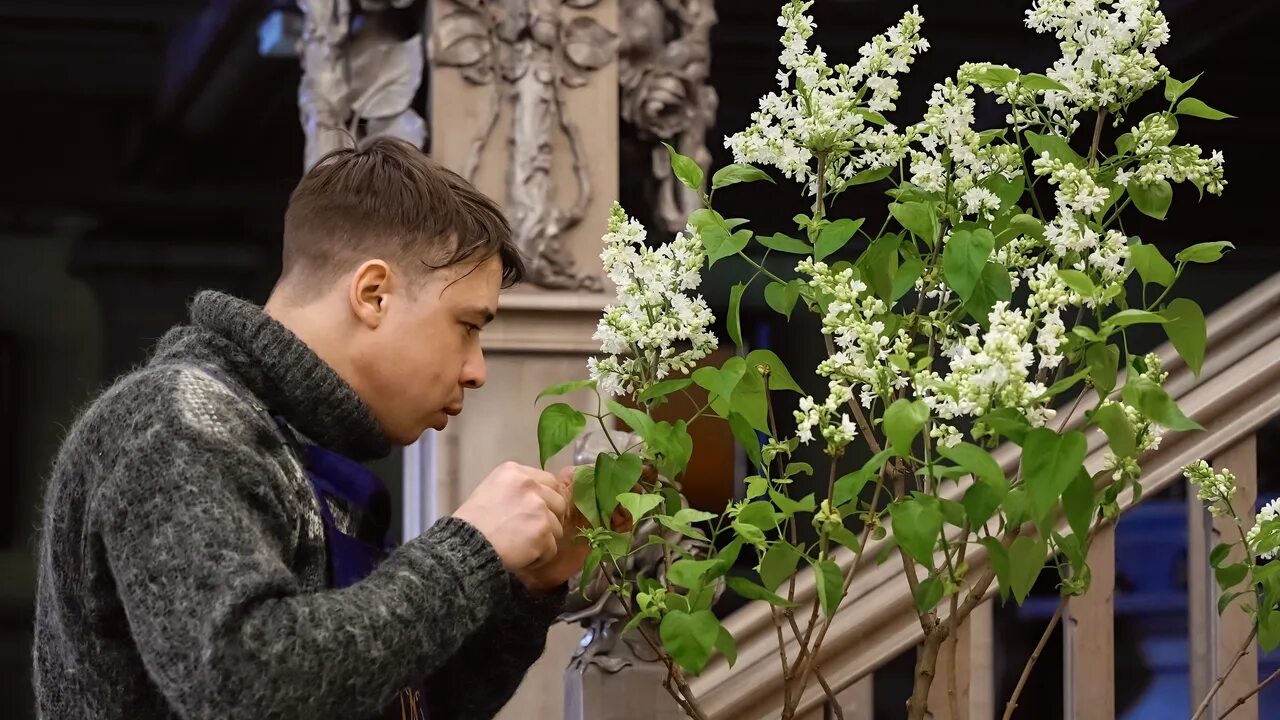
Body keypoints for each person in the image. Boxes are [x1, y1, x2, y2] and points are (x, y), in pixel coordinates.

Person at [34, 137, 606, 720]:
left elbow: (382, 699)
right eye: (467, 325)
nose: (477, 370)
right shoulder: (174, 420)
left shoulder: (289, 441)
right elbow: (248, 687)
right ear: (373, 294)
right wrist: (470, 549)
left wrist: (524, 588)